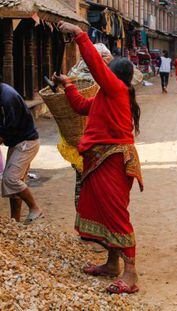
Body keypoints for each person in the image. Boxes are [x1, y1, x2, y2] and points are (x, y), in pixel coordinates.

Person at [55, 21, 144, 294]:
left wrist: (80, 35)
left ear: (111, 75)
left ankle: (130, 274)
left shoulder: (115, 90)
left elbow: (95, 66)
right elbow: (81, 106)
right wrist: (68, 84)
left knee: (116, 213)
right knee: (104, 211)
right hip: (102, 160)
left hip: (113, 159)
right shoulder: (108, 95)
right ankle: (112, 263)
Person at [64, 43, 114, 209]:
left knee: (82, 181)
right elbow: (82, 106)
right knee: (93, 181)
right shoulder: (100, 78)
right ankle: (89, 216)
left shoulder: (74, 74)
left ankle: (84, 215)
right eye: (106, 56)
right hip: (94, 140)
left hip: (77, 139)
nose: (109, 58)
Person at [0, 76, 42, 224]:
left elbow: (8, 129)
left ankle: (34, 207)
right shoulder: (3, 93)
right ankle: (15, 222)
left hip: (26, 142)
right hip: (18, 142)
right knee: (15, 184)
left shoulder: (7, 98)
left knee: (10, 179)